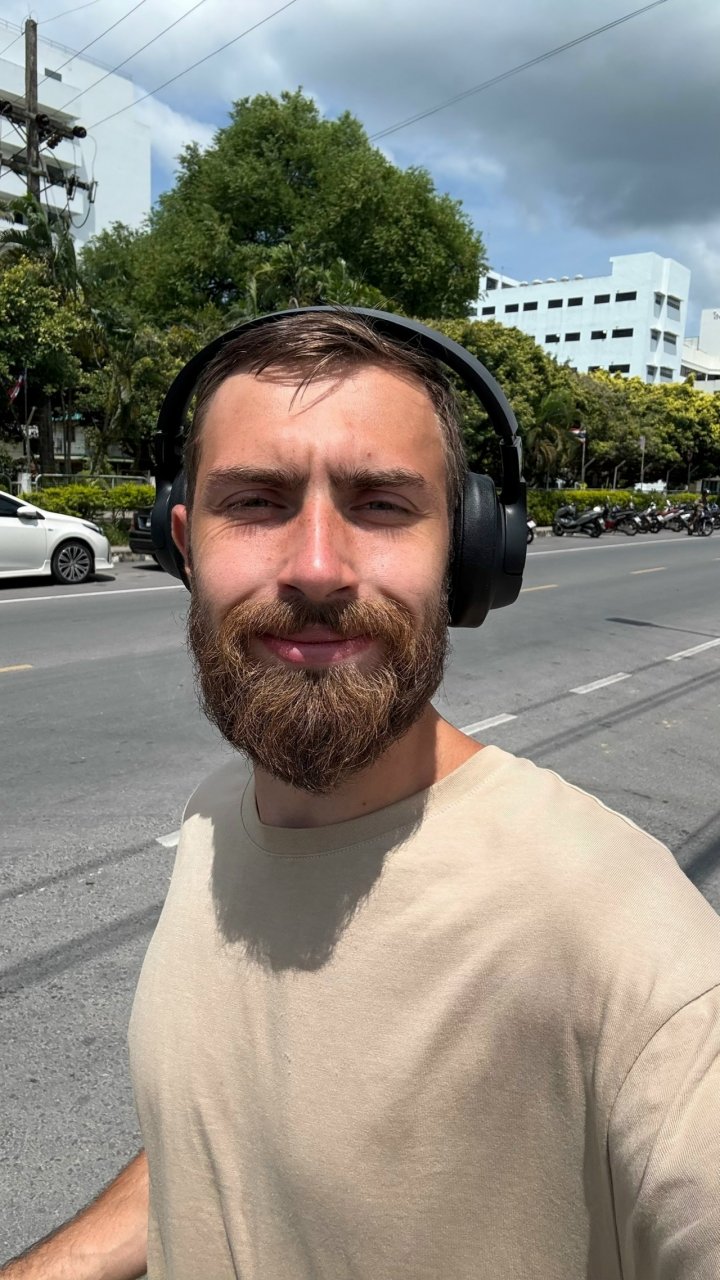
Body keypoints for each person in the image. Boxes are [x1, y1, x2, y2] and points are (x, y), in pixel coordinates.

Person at [4, 310, 720, 1280]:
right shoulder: (215, 818)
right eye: (255, 501)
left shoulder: (628, 940)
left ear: (466, 554)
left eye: (380, 504)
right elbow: (227, 1136)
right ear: (183, 548)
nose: (315, 568)